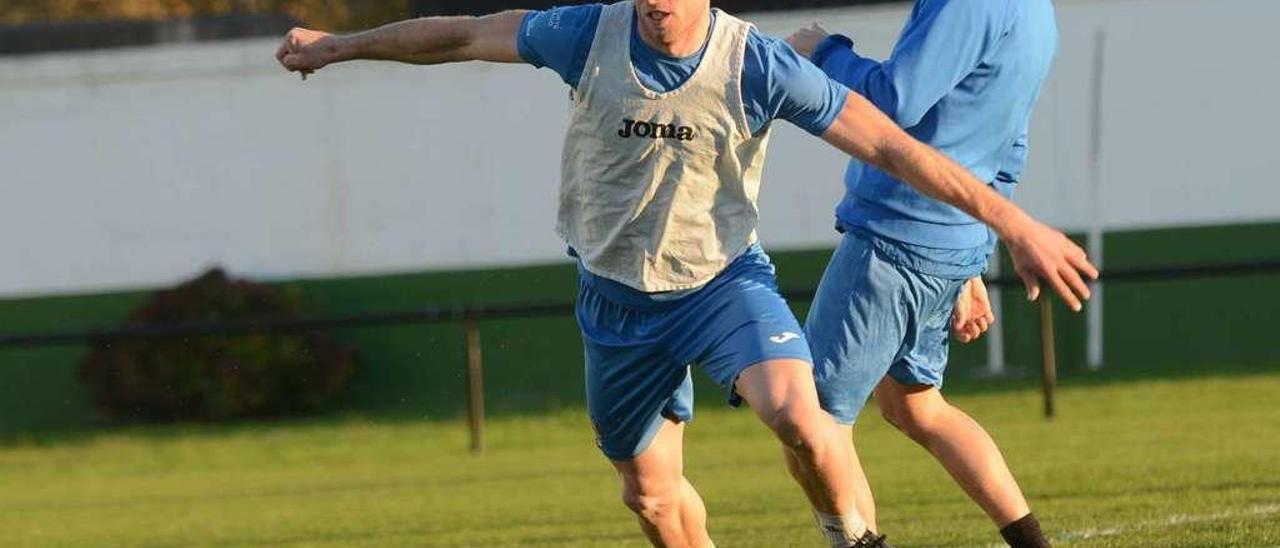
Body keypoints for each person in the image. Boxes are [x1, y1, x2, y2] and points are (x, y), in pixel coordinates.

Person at [276, 1, 1094, 545]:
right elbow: (459, 36)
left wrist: (1010, 224)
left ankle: (856, 539)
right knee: (656, 502)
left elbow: (891, 144)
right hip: (615, 301)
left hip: (723, 286)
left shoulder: (758, 64)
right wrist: (339, 45)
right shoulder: (583, 35)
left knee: (804, 416)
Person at [787, 1, 1064, 546]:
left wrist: (823, 52)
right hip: (947, 243)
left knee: (811, 427)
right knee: (916, 407)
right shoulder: (1037, 13)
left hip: (895, 237)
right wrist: (972, 258)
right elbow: (1009, 151)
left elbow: (897, 99)